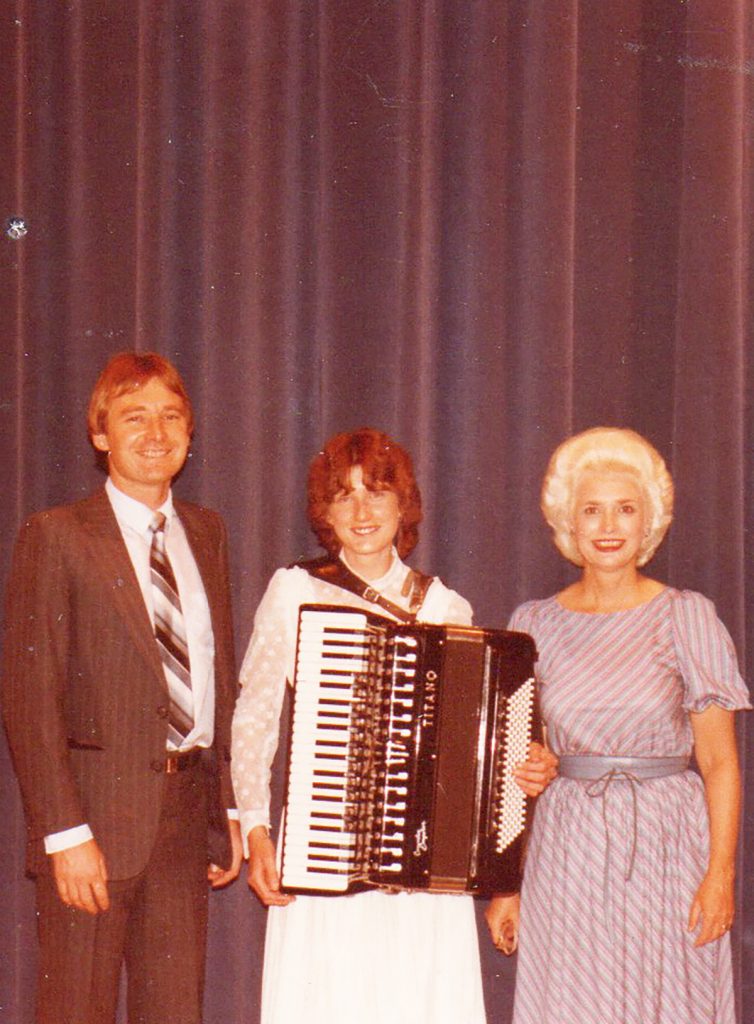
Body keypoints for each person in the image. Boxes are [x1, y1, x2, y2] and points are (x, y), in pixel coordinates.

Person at [231, 427, 554, 1024]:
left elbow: (483, 752)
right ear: (324, 511)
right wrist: (256, 831)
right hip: (320, 850)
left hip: (423, 887)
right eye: (344, 495)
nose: (361, 511)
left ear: (403, 506)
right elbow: (254, 719)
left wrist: (525, 767)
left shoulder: (445, 608)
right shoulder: (293, 590)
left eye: (377, 493)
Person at [2, 352, 243, 1024]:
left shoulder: (207, 532)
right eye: (134, 416)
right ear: (100, 433)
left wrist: (220, 809)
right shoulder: (57, 536)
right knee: (74, 1010)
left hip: (183, 819)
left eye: (171, 417)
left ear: (190, 437)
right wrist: (63, 832)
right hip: (94, 825)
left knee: (174, 1013)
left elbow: (212, 679)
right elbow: (28, 698)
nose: (156, 432)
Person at [485, 426, 750, 1024]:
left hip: (668, 847)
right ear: (568, 525)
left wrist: (720, 876)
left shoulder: (687, 616)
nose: (609, 525)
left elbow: (719, 763)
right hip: (566, 849)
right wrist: (508, 886)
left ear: (649, 521)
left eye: (626, 509)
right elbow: (519, 770)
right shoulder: (533, 625)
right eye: (592, 510)